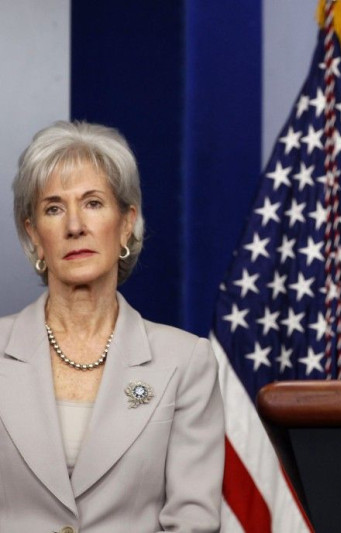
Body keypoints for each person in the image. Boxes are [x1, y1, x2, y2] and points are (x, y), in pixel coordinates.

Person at [0, 121, 224, 532]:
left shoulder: (185, 362)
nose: (74, 226)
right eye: (53, 208)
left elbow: (194, 522)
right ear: (34, 236)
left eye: (93, 203)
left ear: (126, 223)